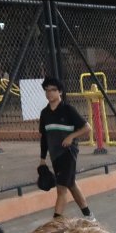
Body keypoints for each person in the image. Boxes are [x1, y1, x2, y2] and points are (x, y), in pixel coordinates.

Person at [39, 77, 93, 218]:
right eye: (47, 90)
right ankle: (89, 216)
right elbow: (44, 137)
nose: (49, 93)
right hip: (55, 155)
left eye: (53, 90)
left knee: (61, 189)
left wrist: (71, 137)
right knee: (71, 184)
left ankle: (55, 223)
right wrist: (42, 159)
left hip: (68, 153)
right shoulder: (44, 113)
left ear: (60, 92)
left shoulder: (68, 110)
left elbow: (87, 128)